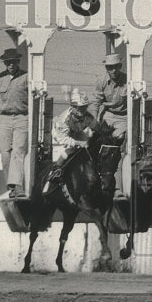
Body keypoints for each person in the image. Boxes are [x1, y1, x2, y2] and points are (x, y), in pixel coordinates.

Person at [0, 48, 29, 198]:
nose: (11, 65)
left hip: (22, 117)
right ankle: (11, 186)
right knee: (5, 153)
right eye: (8, 62)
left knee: (18, 151)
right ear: (5, 63)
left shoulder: (27, 77)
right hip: (4, 119)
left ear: (18, 62)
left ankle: (18, 186)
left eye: (14, 62)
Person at [90, 54, 129, 197]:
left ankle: (117, 187)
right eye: (110, 67)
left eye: (115, 67)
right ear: (106, 68)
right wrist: (94, 122)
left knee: (117, 143)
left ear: (120, 67)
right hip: (107, 115)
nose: (113, 70)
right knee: (95, 143)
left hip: (124, 117)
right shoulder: (100, 81)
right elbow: (95, 102)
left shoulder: (128, 81)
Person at [46, 88, 96, 187]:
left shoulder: (88, 116)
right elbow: (63, 139)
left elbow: (96, 129)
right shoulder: (64, 120)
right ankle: (53, 173)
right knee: (68, 151)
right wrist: (78, 143)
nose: (82, 110)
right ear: (72, 107)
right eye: (79, 108)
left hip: (77, 131)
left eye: (84, 107)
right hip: (61, 135)